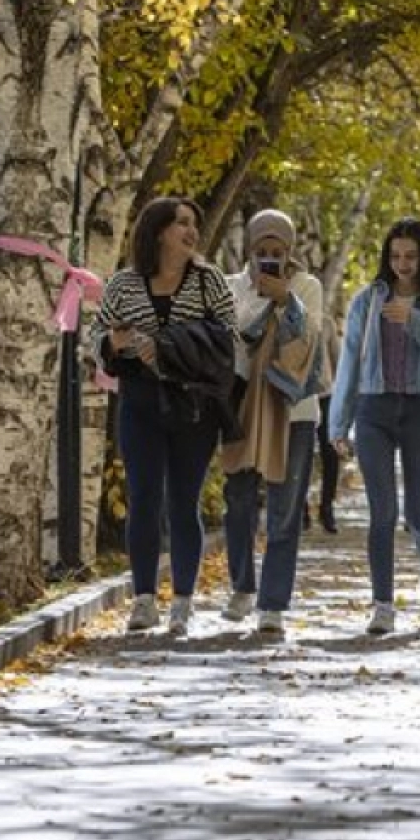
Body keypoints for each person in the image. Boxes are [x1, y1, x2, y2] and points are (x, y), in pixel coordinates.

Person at [90, 197, 237, 636]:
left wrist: (170, 345)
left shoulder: (209, 280)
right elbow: (94, 337)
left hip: (194, 404)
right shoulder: (123, 284)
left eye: (194, 224)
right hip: (140, 402)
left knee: (183, 502)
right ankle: (144, 599)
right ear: (158, 232)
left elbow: (228, 338)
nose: (192, 232)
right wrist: (112, 345)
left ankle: (183, 603)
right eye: (182, 224)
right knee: (144, 498)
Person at [328, 217, 420, 635]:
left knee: (419, 515)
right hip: (374, 410)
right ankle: (383, 606)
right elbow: (349, 362)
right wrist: (338, 423)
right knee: (382, 513)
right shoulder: (368, 300)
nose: (403, 264)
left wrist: (413, 318)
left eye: (411, 256)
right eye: (395, 256)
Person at [220, 210, 324, 638]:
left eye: (277, 250)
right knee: (238, 499)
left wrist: (286, 300)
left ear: (290, 250)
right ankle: (242, 586)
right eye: (261, 249)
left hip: (294, 411)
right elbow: (232, 343)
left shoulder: (307, 286)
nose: (269, 257)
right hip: (244, 407)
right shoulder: (231, 287)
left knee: (285, 509)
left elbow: (310, 339)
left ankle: (273, 604)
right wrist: (262, 299)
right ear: (249, 248)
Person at [308, 320, 343, 534]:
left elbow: (338, 361)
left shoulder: (326, 322)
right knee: (301, 453)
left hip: (325, 396)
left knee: (330, 452)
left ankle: (326, 507)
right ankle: (301, 508)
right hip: (298, 395)